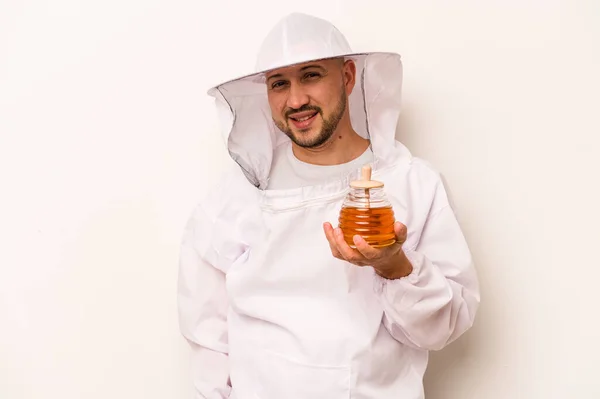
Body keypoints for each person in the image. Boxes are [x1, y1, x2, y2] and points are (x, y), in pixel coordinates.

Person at [178, 12, 480, 399]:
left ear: (349, 76)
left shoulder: (413, 185)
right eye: (279, 83)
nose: (296, 99)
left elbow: (440, 330)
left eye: (311, 74)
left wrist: (394, 266)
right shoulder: (233, 201)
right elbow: (207, 339)